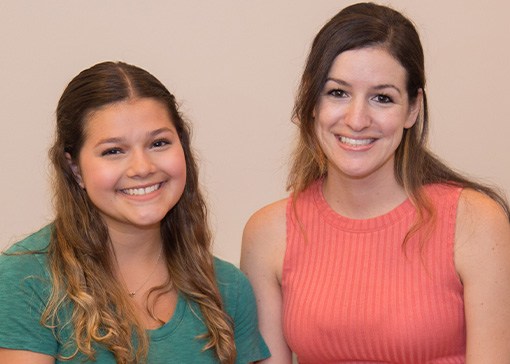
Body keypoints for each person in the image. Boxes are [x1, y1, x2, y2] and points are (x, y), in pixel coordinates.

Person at [241, 3, 510, 363]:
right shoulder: (269, 233)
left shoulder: (476, 222)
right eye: (338, 92)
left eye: (382, 98)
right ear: (312, 100)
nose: (357, 119)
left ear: (413, 109)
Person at [0, 61, 270, 364]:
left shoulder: (227, 287)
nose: (142, 168)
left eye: (159, 143)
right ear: (75, 169)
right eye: (113, 151)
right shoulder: (26, 281)